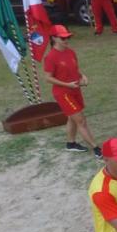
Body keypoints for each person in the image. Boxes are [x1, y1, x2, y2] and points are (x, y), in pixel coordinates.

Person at [43, 25, 100, 155]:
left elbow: (74, 69)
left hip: (75, 89)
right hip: (63, 93)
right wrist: (67, 85)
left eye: (67, 37)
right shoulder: (51, 57)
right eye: (63, 38)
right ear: (54, 39)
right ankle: (96, 149)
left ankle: (71, 143)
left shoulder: (70, 52)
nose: (66, 40)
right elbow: (48, 78)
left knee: (72, 118)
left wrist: (82, 76)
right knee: (81, 120)